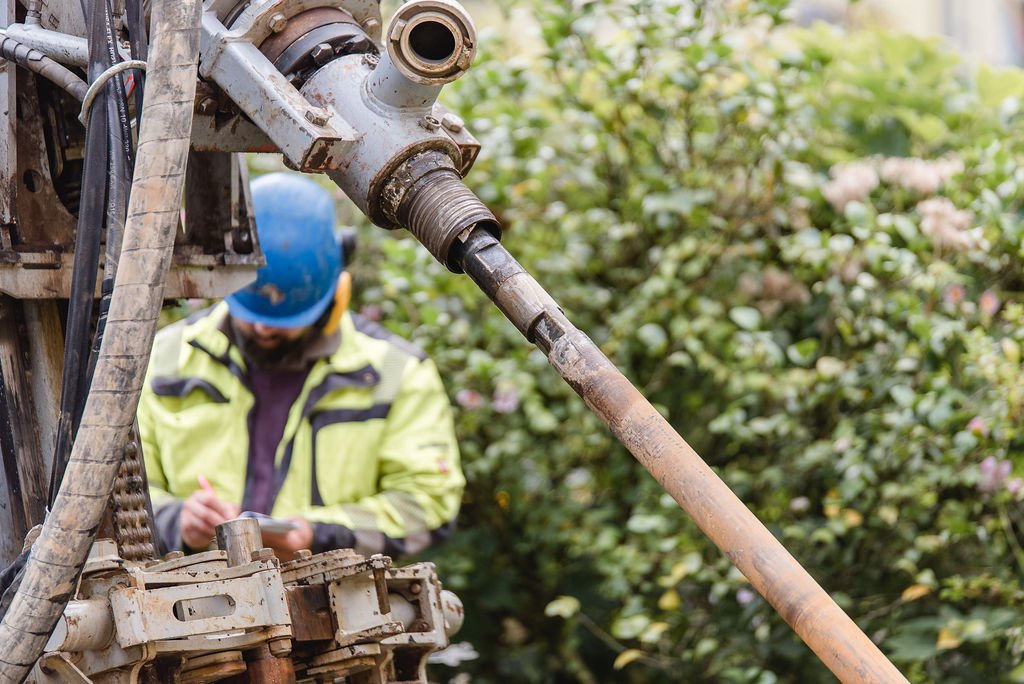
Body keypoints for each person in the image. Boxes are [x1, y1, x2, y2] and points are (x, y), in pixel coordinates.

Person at [138, 172, 464, 560]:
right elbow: (115, 495)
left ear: (333, 288)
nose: (261, 328)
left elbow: (427, 506)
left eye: (281, 322)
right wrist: (179, 522)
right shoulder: (163, 359)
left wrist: (314, 536)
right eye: (250, 312)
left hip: (333, 607)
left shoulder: (398, 374)